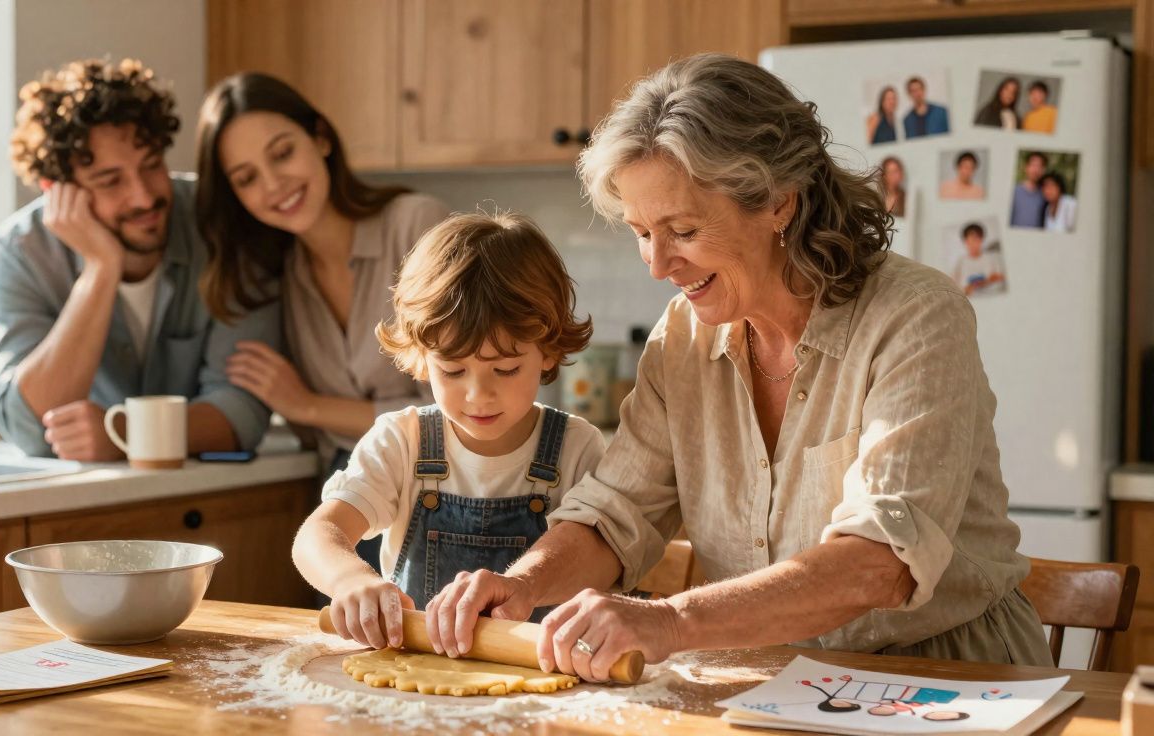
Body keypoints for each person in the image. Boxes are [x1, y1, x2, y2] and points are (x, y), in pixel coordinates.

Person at [425, 53, 1051, 680]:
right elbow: (620, 513)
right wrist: (522, 585)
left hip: (949, 680)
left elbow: (879, 563)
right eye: (643, 232)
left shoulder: (915, 317)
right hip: (767, 680)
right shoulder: (683, 336)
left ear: (779, 202)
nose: (657, 263)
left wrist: (671, 622)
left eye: (684, 230)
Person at [291, 213, 605, 650]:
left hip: (545, 686)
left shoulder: (577, 448)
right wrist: (349, 579)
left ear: (549, 351)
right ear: (422, 357)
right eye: (453, 370)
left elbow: (602, 560)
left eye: (506, 369)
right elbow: (317, 535)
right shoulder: (402, 442)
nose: (479, 395)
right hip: (415, 679)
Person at [0, 59, 276, 460]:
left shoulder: (223, 224)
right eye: (111, 181)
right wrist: (101, 269)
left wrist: (127, 434)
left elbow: (243, 410)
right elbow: (29, 427)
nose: (143, 196)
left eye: (152, 165)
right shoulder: (20, 252)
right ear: (56, 190)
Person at [195, 73, 449, 481]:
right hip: (351, 491)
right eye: (247, 178)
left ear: (321, 139)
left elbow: (456, 411)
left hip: (450, 489)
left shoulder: (418, 225)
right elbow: (314, 437)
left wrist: (307, 405)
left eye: (282, 153)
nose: (274, 183)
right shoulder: (281, 277)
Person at [951, 223, 1006, 296]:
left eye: (977, 239)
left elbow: (1001, 277)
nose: (974, 243)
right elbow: (952, 285)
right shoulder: (960, 262)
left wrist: (985, 282)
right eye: (971, 239)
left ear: (982, 240)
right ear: (965, 241)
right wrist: (965, 290)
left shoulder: (992, 257)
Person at [1010, 151, 1049, 228]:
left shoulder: (1046, 195)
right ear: (1026, 168)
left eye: (1040, 166)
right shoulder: (1014, 191)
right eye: (1033, 165)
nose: (1036, 170)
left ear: (1043, 170)